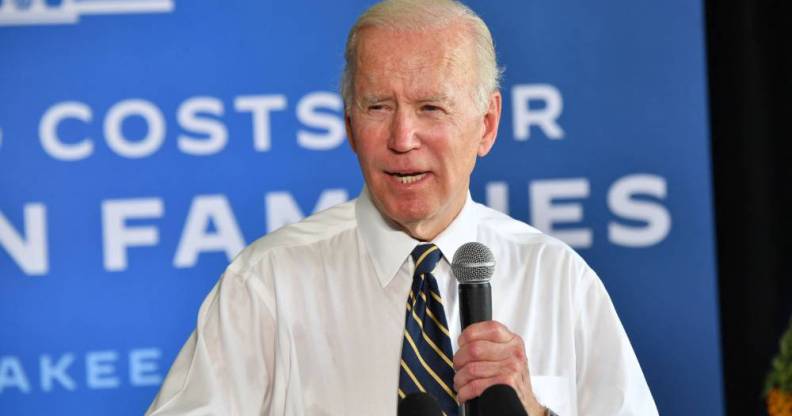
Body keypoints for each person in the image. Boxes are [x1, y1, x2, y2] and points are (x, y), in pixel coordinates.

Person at [146, 1, 658, 415]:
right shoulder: (267, 282)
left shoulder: (559, 278)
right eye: (378, 107)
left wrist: (536, 413)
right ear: (349, 126)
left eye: (430, 107)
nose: (402, 138)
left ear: (486, 124)